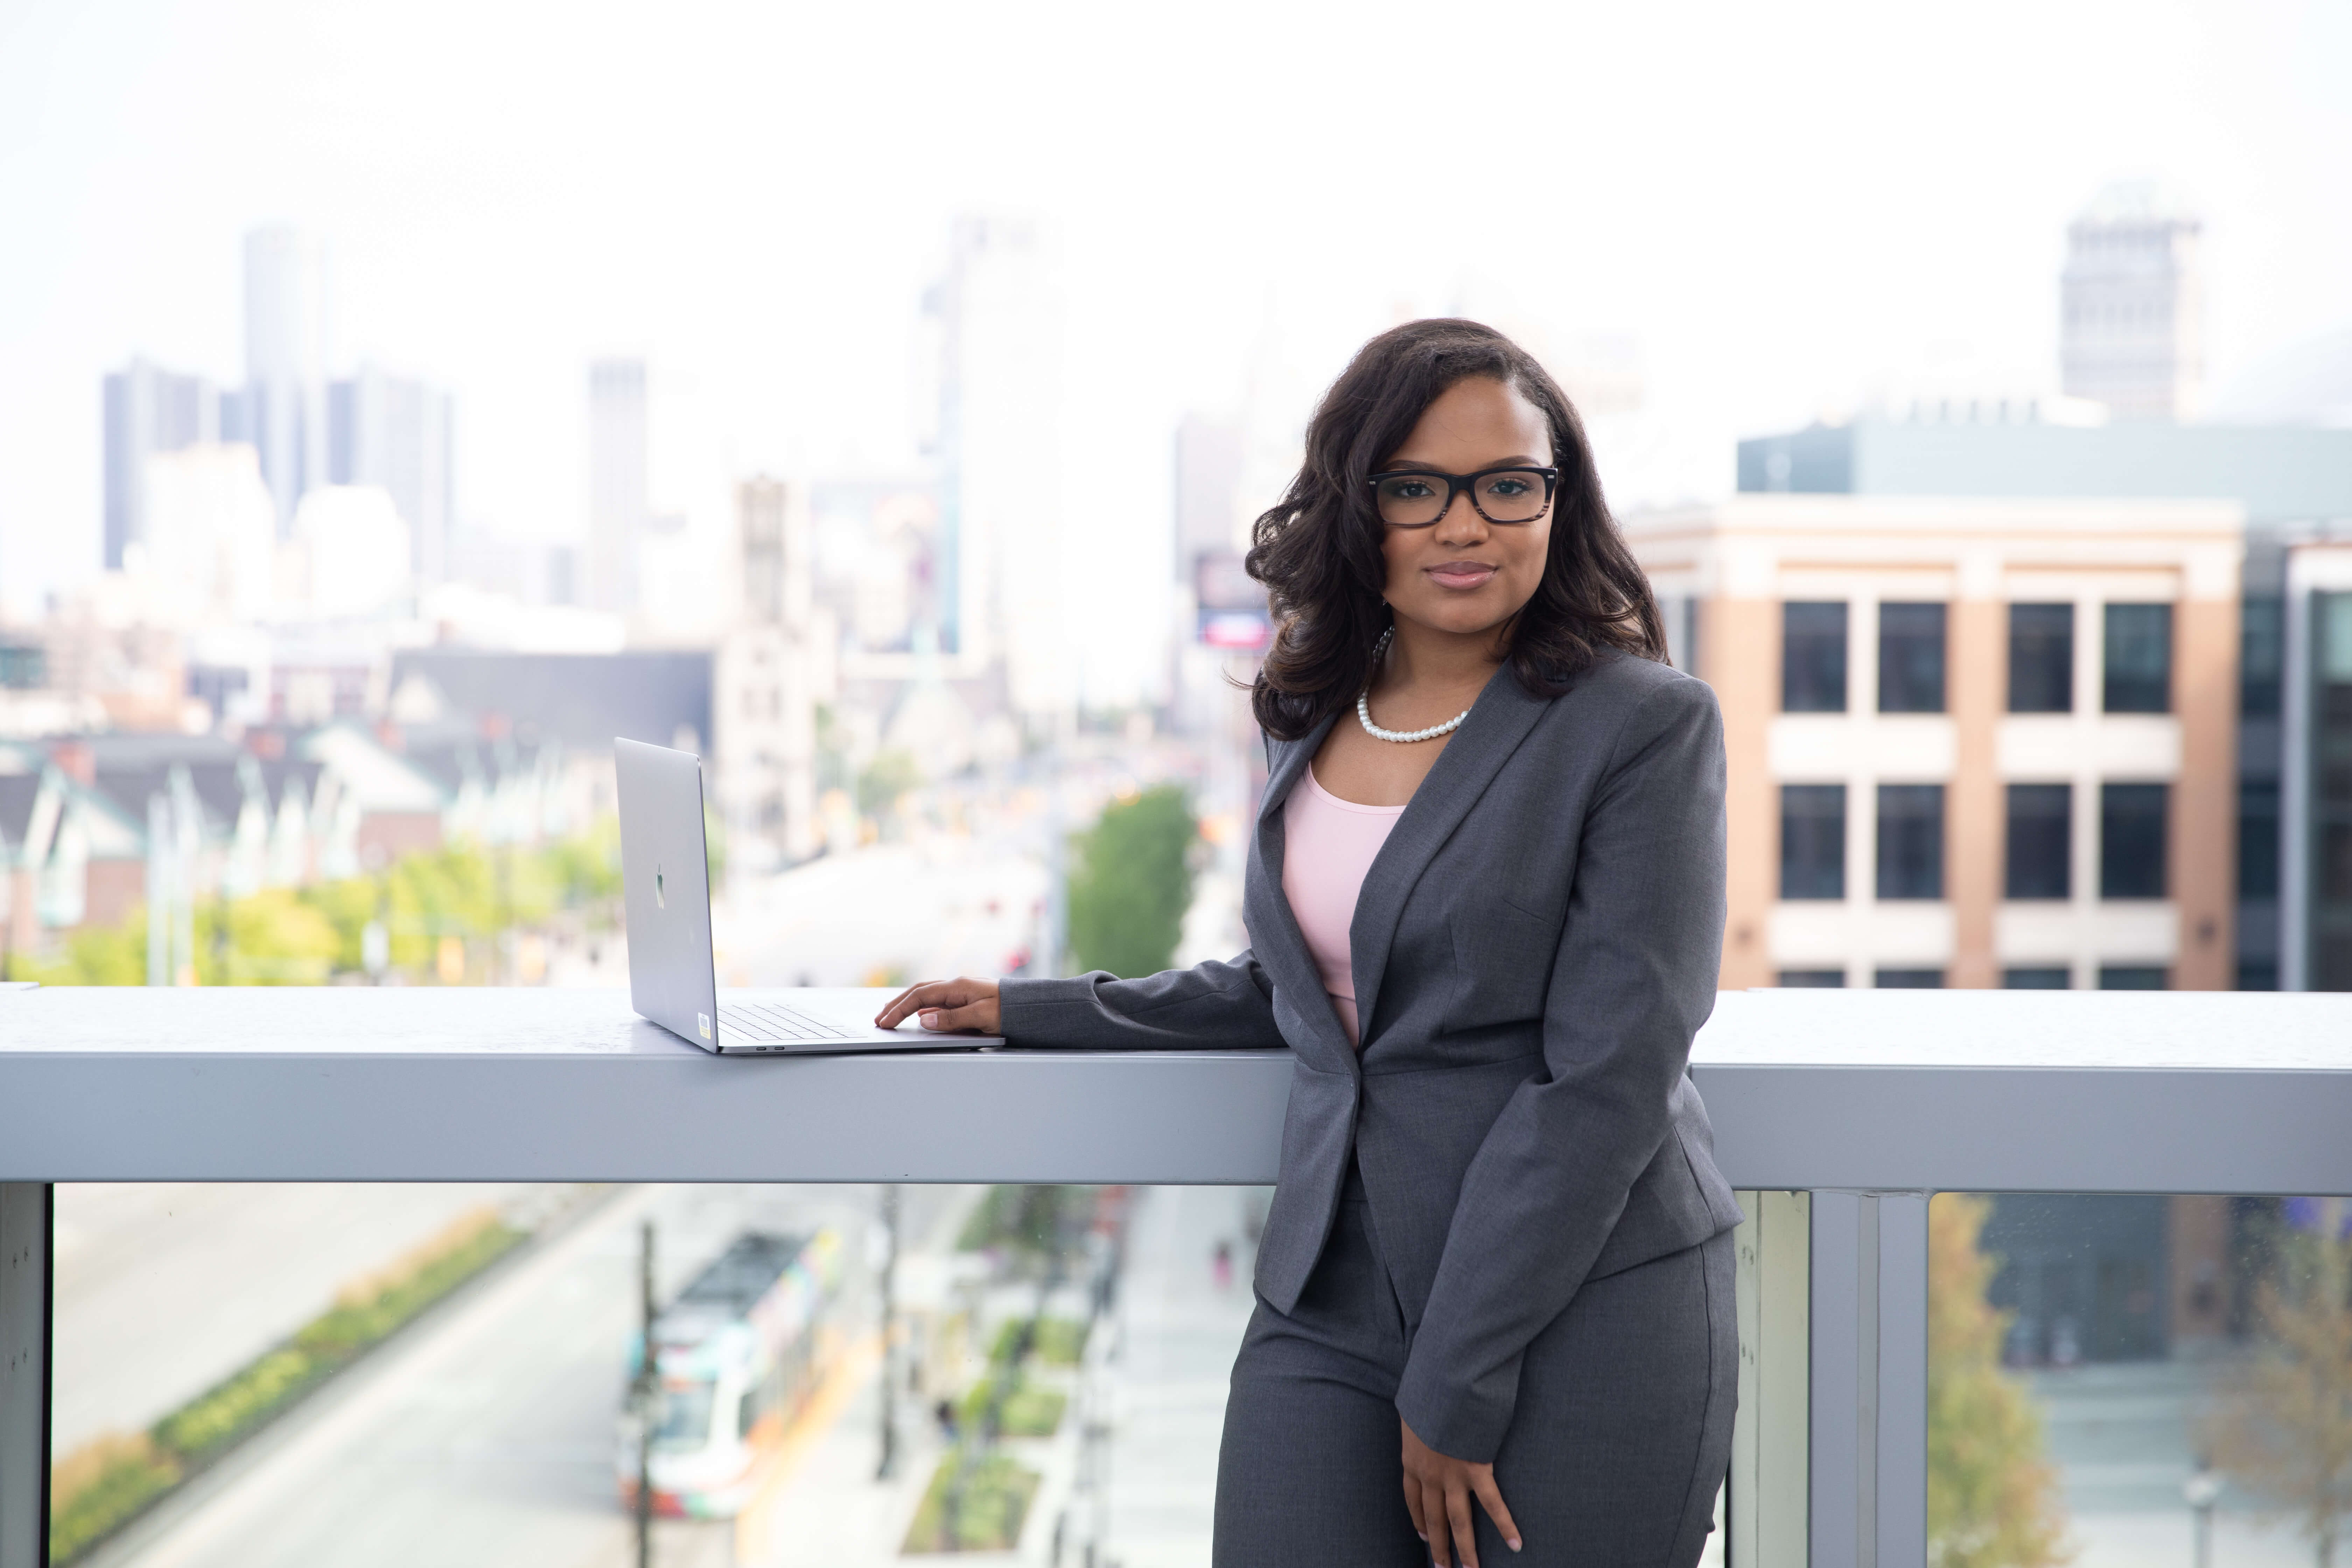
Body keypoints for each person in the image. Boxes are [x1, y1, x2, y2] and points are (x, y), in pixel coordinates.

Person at [878, 319, 1740, 1568]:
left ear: (1559, 502)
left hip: (1578, 1304)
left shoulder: (1641, 729)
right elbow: (1315, 987)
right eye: (1416, 489)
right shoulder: (1309, 712)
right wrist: (1035, 1010)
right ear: (1358, 507)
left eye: (1509, 486)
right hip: (1332, 1292)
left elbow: (1608, 1079)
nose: (1466, 525)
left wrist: (1457, 1373)